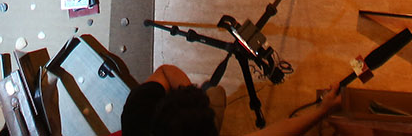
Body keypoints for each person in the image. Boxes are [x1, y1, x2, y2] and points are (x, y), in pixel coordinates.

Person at [122, 66, 339, 136]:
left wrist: (190, 93)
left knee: (213, 93)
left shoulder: (137, 108)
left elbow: (166, 72)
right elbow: (275, 133)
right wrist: (322, 111)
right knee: (216, 93)